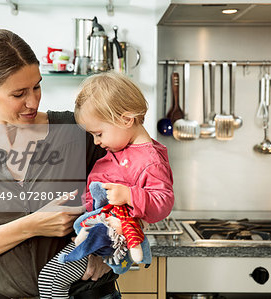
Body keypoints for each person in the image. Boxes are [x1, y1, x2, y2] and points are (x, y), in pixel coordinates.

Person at [0, 29, 119, 299]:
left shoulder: (78, 131)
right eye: (19, 93)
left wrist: (109, 248)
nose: (33, 101)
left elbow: (137, 184)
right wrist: (32, 224)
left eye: (37, 86)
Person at [38, 72, 174, 299]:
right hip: (97, 231)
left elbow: (164, 201)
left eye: (98, 133)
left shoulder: (149, 160)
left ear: (126, 120)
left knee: (50, 279)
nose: (96, 142)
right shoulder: (120, 150)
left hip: (113, 237)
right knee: (51, 282)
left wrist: (130, 195)